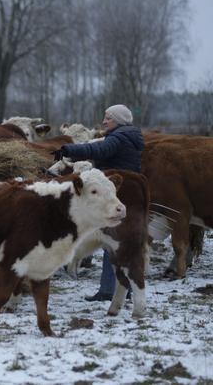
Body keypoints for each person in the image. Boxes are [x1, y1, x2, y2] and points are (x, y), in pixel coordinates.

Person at [52, 104, 144, 302]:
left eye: (108, 118)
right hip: (124, 193)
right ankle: (121, 289)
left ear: (118, 120)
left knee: (111, 242)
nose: (104, 121)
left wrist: (68, 149)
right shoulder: (129, 136)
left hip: (116, 196)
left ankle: (108, 291)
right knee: (117, 243)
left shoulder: (118, 138)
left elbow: (97, 149)